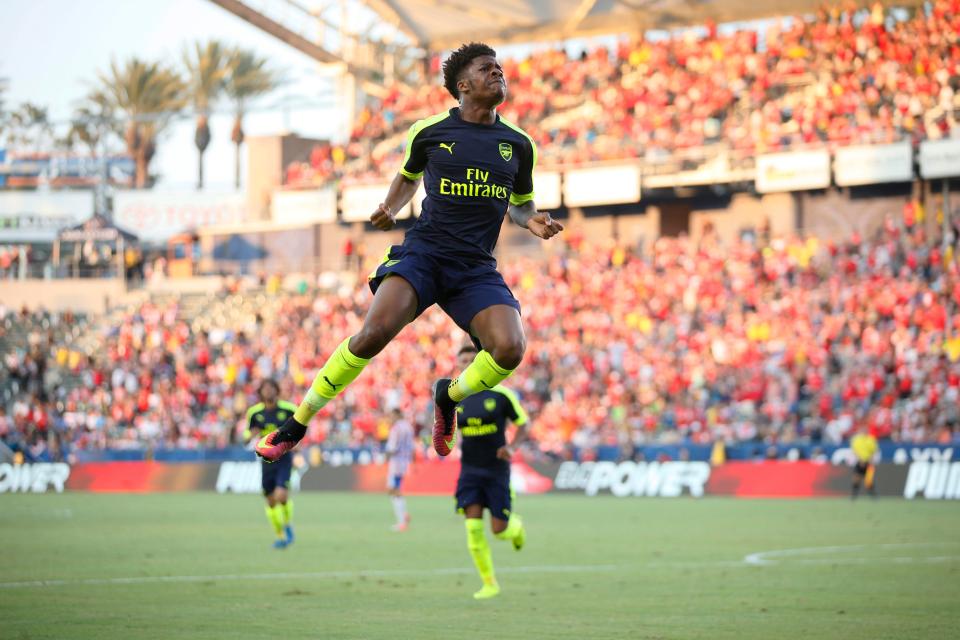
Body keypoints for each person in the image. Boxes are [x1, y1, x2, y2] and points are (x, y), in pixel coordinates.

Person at [256, 42, 562, 463]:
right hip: (425, 254)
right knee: (372, 335)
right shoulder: (429, 131)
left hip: (475, 268)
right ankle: (297, 423)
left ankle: (449, 396)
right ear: (463, 84)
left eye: (499, 68)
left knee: (510, 349)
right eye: (487, 68)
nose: (497, 73)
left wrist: (532, 220)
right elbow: (407, 178)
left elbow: (522, 201)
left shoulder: (519, 143)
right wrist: (390, 207)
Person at [453, 342, 529, 599]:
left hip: (496, 471)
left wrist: (512, 447)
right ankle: (489, 583)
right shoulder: (455, 397)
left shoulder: (501, 395)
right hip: (470, 471)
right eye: (462, 361)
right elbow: (444, 428)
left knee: (500, 530)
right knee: (473, 529)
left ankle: (516, 528)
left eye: (471, 360)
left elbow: (523, 424)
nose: (467, 365)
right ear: (457, 365)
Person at [245, 379, 299, 548]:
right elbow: (247, 435)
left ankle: (288, 524)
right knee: (270, 501)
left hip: (284, 458)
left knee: (281, 496)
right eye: (265, 389)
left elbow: (299, 431)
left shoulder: (289, 409)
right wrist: (251, 434)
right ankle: (280, 535)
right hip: (266, 461)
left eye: (271, 388)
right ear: (260, 392)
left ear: (277, 390)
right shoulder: (254, 413)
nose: (268, 391)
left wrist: (297, 448)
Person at [385, 408, 415, 531]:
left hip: (396, 461)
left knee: (394, 489)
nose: (390, 418)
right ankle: (403, 515)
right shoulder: (408, 426)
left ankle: (402, 520)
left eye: (392, 416)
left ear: (397, 415)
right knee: (395, 489)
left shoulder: (396, 428)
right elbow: (411, 446)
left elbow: (392, 447)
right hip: (404, 461)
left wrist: (386, 455)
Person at [850, 424, 879, 499]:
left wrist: (870, 460)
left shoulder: (871, 440)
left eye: (865, 430)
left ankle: (873, 496)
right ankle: (854, 496)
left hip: (868, 462)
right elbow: (855, 451)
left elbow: (874, 451)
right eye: (862, 430)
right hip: (859, 462)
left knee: (868, 481)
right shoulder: (856, 440)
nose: (863, 432)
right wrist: (860, 460)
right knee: (856, 479)